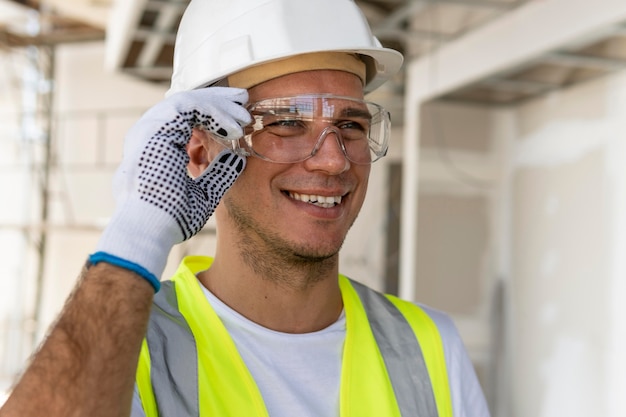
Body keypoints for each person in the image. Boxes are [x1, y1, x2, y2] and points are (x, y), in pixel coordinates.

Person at [0, 0, 490, 416]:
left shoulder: (429, 348)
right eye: (285, 123)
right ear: (200, 151)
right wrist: (139, 228)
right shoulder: (124, 346)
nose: (333, 159)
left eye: (352, 125)